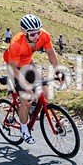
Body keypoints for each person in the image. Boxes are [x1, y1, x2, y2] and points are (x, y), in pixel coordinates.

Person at [5, 14, 63, 144]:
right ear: (23, 31)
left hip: (29, 64)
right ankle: (24, 128)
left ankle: (31, 111)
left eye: (38, 32)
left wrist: (57, 71)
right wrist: (26, 85)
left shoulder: (44, 35)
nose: (36, 36)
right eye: (32, 34)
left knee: (45, 93)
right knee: (26, 100)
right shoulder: (16, 43)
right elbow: (13, 68)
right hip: (15, 68)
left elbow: (51, 53)